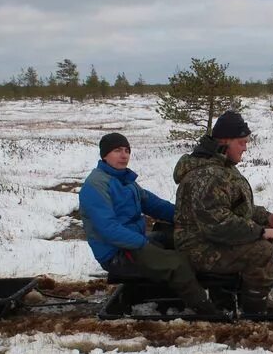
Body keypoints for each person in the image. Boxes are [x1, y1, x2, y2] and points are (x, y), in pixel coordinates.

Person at [79, 132, 219, 315]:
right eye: (117, 150)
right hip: (117, 253)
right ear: (104, 155)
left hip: (135, 242)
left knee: (180, 239)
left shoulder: (125, 180)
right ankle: (208, 311)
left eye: (127, 150)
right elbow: (109, 230)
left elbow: (154, 205)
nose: (124, 155)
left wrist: (189, 217)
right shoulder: (95, 186)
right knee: (177, 264)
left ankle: (199, 290)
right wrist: (143, 244)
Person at [172, 110, 273, 314]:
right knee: (262, 249)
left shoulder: (221, 166)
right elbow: (218, 225)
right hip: (198, 248)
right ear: (225, 141)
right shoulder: (208, 175)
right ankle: (255, 306)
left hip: (208, 240)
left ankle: (245, 291)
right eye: (242, 142)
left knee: (266, 239)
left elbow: (238, 206)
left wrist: (266, 218)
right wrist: (260, 232)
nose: (245, 148)